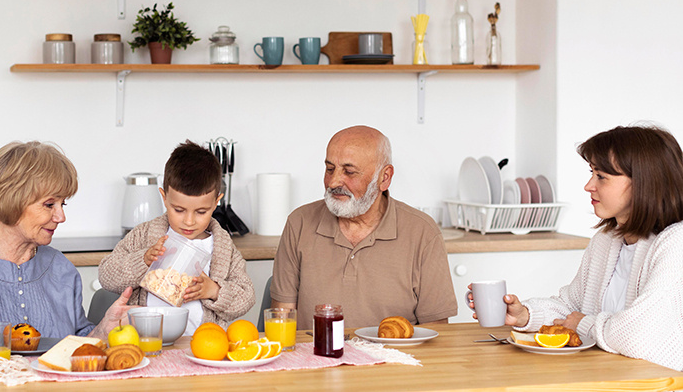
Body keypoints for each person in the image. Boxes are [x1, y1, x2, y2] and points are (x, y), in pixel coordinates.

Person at [472, 125, 683, 371]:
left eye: (601, 176)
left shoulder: (676, 244)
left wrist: (583, 324)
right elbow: (570, 307)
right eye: (591, 173)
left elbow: (639, 336)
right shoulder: (606, 241)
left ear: (644, 182)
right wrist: (524, 315)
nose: (588, 185)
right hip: (605, 377)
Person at [0, 141, 132, 340]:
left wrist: (104, 330)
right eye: (49, 204)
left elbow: (77, 345)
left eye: (62, 204)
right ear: (11, 199)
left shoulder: (60, 268)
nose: (61, 217)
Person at [271, 125, 457, 330]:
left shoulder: (423, 233)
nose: (333, 182)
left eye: (349, 172)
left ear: (384, 178)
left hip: (395, 361)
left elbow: (437, 332)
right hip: (317, 359)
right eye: (329, 169)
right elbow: (282, 324)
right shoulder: (299, 223)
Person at [99, 141, 255, 335]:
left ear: (216, 202)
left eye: (201, 211)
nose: (189, 221)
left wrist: (214, 291)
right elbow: (106, 276)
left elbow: (246, 297)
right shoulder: (143, 235)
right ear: (164, 198)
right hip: (146, 342)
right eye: (179, 210)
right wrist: (143, 260)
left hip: (202, 347)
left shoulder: (223, 248)